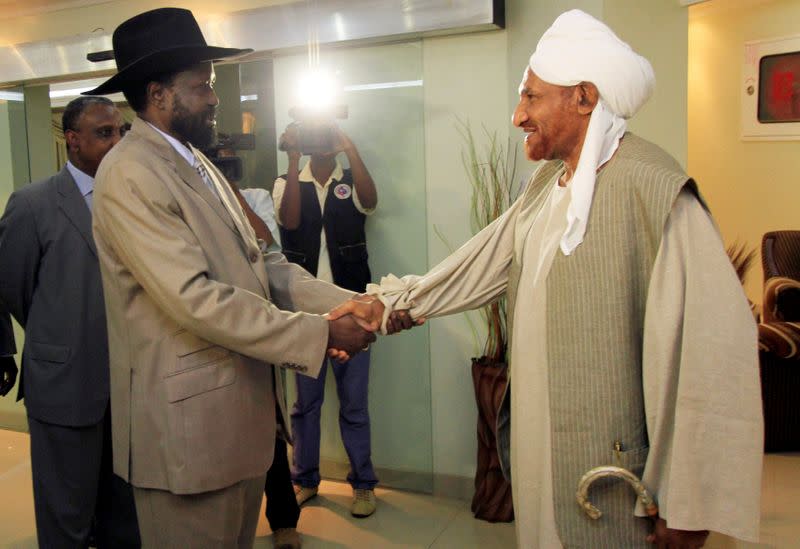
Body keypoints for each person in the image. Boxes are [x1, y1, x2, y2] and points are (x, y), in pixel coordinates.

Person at [330, 9, 763, 548]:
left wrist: (687, 503)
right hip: (537, 465)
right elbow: (478, 262)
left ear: (583, 97)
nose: (518, 116)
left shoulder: (655, 191)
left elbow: (710, 354)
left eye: (532, 97)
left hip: (611, 481)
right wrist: (388, 306)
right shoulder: (545, 186)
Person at [84, 8, 374, 546]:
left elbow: (264, 265)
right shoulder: (129, 174)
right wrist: (323, 332)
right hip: (187, 442)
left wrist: (357, 302)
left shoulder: (199, 164)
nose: (216, 99)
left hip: (236, 430)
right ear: (160, 94)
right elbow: (196, 299)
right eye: (202, 87)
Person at [0, 96, 140, 548]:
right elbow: (12, 289)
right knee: (66, 517)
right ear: (72, 141)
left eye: (121, 132)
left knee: (125, 518)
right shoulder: (32, 204)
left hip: (130, 388)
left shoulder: (137, 201)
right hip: (64, 385)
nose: (116, 142)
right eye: (104, 133)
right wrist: (60, 331)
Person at [273, 123, 379, 518]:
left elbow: (370, 202)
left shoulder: (350, 180)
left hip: (352, 312)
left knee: (354, 405)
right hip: (305, 316)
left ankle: (364, 485)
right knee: (306, 405)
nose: (321, 142)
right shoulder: (286, 181)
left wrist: (349, 148)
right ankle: (305, 479)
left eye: (325, 134)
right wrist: (295, 156)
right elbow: (291, 222)